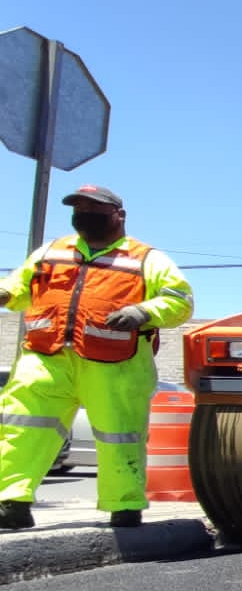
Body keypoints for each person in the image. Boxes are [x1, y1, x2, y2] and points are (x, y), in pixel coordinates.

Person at [0, 185, 195, 529]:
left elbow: (179, 301)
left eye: (93, 208)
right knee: (22, 427)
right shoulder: (52, 251)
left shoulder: (146, 259)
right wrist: (5, 293)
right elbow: (19, 286)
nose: (83, 214)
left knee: (120, 436)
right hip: (47, 357)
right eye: (78, 208)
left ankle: (124, 505)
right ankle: (10, 503)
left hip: (114, 365)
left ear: (118, 216)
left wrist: (144, 312)